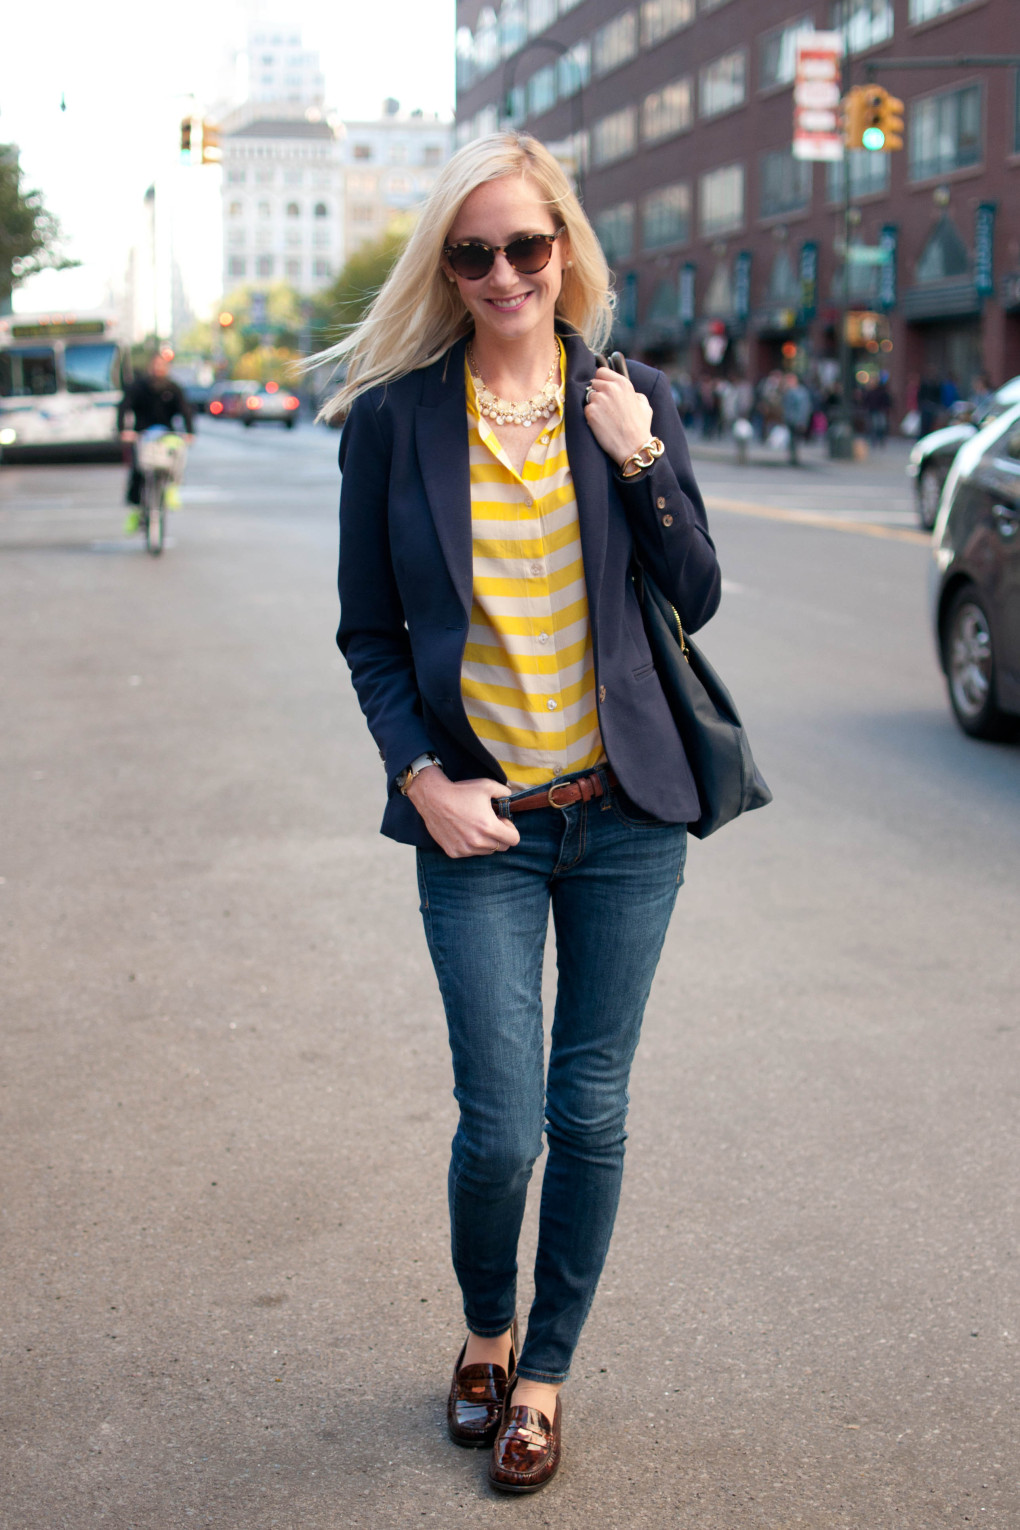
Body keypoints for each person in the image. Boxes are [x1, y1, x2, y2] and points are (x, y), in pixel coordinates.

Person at [325, 132, 720, 1495]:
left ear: (565, 251)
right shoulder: (396, 419)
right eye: (474, 251)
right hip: (481, 820)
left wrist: (640, 458)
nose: (504, 272)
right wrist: (417, 778)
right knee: (502, 1124)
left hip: (626, 818)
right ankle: (483, 1328)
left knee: (591, 1109)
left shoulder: (631, 398)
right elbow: (370, 633)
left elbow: (698, 586)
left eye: (526, 246)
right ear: (448, 266)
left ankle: (542, 1373)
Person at [117, 352, 193, 520]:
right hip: (142, 434)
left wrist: (189, 432)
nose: (158, 368)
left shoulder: (173, 387)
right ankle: (136, 511)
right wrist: (123, 430)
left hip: (167, 435)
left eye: (162, 365)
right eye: (155, 365)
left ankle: (172, 488)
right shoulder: (138, 387)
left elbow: (186, 410)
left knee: (177, 458)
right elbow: (123, 406)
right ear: (150, 367)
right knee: (138, 470)